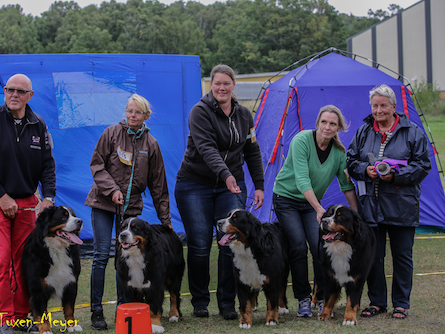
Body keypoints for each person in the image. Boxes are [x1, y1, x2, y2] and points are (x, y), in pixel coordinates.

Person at [174, 64, 264, 320]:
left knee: (230, 244)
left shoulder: (245, 115)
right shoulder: (199, 112)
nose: (221, 88)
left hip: (230, 186)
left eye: (226, 83)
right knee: (200, 245)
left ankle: (227, 303)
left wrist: (258, 184)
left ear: (233, 86)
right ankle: (200, 301)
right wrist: (227, 176)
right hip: (195, 184)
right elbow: (207, 149)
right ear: (211, 86)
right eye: (217, 84)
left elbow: (252, 151)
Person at [0, 74, 56, 334]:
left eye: (20, 91)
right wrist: (1, 196)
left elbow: (47, 165)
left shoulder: (38, 124)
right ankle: (3, 321)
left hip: (27, 203)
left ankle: (21, 318)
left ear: (30, 96)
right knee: (0, 261)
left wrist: (48, 197)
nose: (13, 95)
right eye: (9, 90)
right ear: (4, 92)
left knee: (24, 262)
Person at [85, 94, 172, 330]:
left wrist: (165, 219)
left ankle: (124, 310)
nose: (132, 115)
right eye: (129, 111)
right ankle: (96, 311)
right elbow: (97, 164)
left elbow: (158, 185)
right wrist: (112, 189)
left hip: (131, 207)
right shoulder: (111, 133)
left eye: (137, 112)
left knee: (122, 258)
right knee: (102, 256)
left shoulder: (151, 144)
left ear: (146, 116)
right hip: (103, 202)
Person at [347, 84, 431, 319]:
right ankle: (377, 302)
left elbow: (423, 166)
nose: (378, 110)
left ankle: (401, 304)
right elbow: (351, 160)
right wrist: (366, 170)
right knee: (373, 256)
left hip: (402, 204)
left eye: (383, 105)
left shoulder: (412, 131)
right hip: (370, 205)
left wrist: (395, 175)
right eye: (375, 105)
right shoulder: (363, 131)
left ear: (394, 107)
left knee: (402, 256)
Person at [272, 105, 357, 318]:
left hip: (311, 204)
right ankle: (302, 299)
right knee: (299, 247)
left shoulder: (339, 153)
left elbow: (346, 185)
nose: (327, 127)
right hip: (287, 199)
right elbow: (302, 180)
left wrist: (356, 214)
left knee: (321, 248)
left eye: (333, 124)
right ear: (318, 122)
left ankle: (321, 298)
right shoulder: (301, 141)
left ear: (339, 128)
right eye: (324, 122)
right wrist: (319, 208)